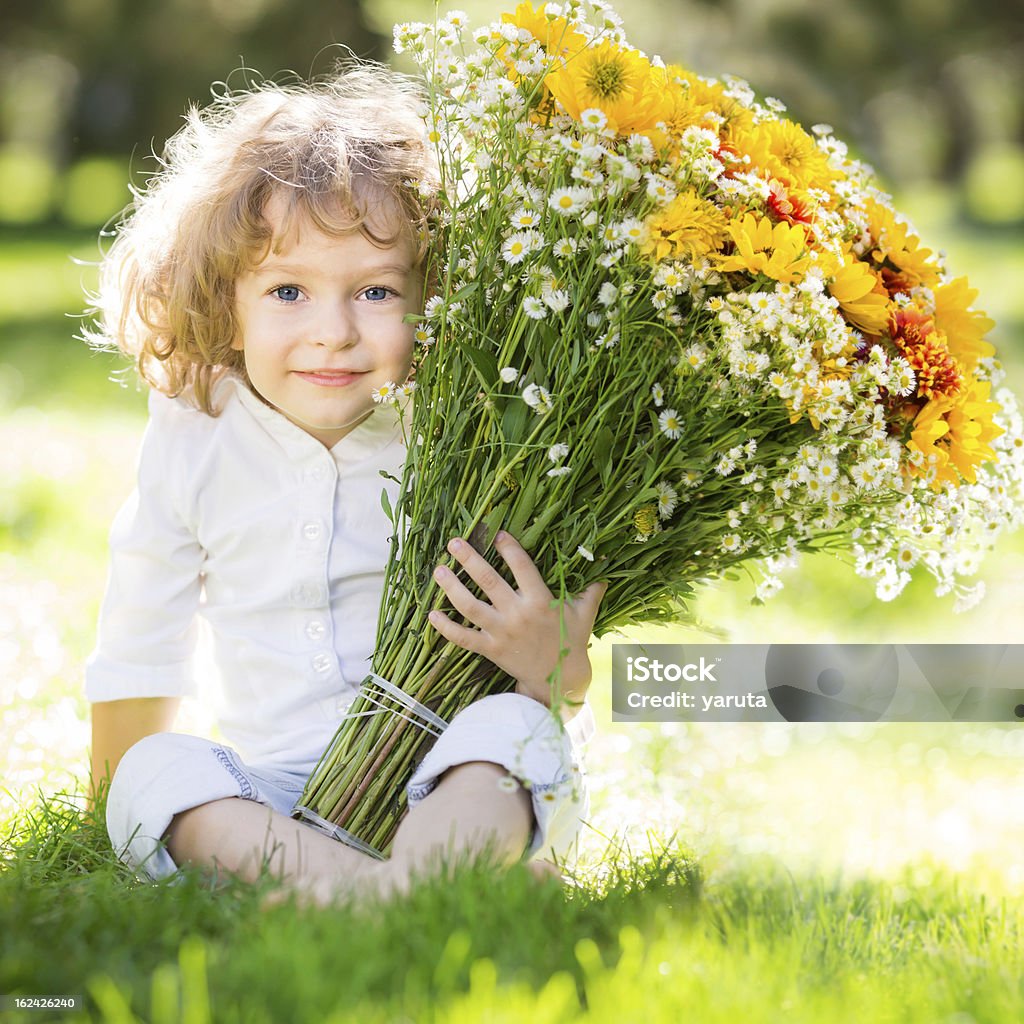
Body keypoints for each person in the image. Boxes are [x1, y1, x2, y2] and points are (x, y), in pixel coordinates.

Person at [84, 63, 607, 904]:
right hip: (271, 800)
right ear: (226, 299)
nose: (332, 334)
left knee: (511, 734)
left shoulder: (464, 438)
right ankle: (400, 892)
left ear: (434, 299)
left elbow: (552, 685)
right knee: (156, 775)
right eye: (287, 290)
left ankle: (391, 882)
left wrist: (552, 675)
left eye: (375, 291)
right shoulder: (196, 428)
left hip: (446, 773)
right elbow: (142, 632)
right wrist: (112, 800)